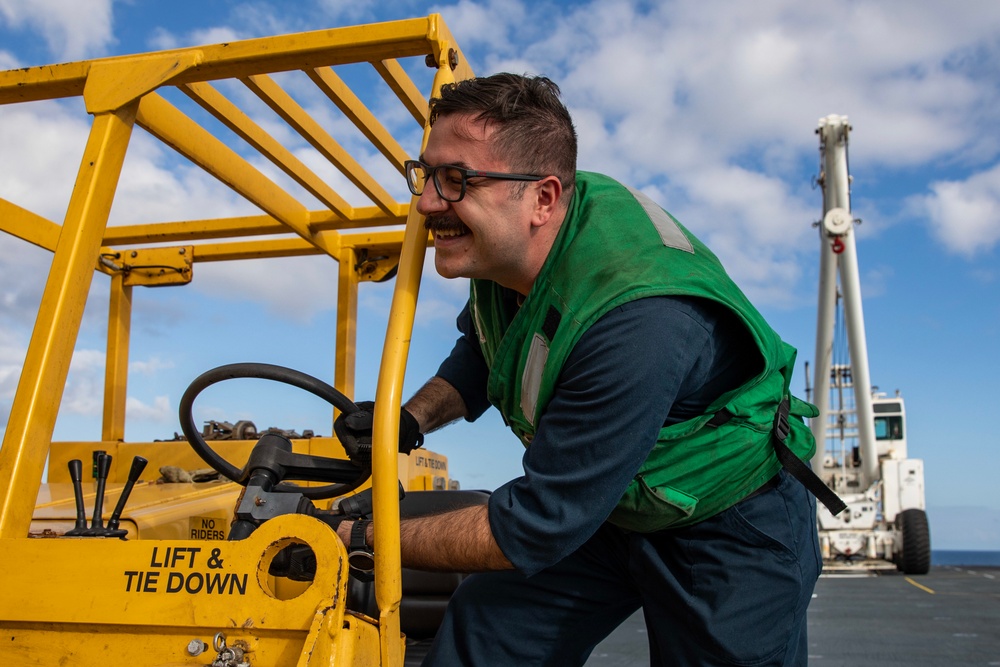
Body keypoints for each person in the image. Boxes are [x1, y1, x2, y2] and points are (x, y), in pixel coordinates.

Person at [334, 73, 824, 666]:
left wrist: (363, 538)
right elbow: (485, 350)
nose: (428, 203)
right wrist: (405, 422)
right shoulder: (513, 253)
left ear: (543, 198)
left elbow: (538, 525)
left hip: (727, 517)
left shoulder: (637, 319)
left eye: (456, 180)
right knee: (488, 629)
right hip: (613, 509)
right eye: (425, 174)